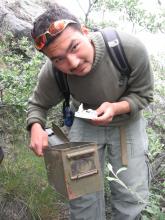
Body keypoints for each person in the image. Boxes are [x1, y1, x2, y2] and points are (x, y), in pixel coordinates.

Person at [27, 3, 154, 220]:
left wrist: (116, 107)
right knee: (82, 196)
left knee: (131, 197)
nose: (72, 63)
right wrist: (36, 126)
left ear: (85, 32)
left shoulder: (127, 49)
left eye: (74, 47)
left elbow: (144, 95)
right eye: (59, 59)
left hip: (126, 124)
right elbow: (38, 104)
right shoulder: (53, 72)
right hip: (85, 125)